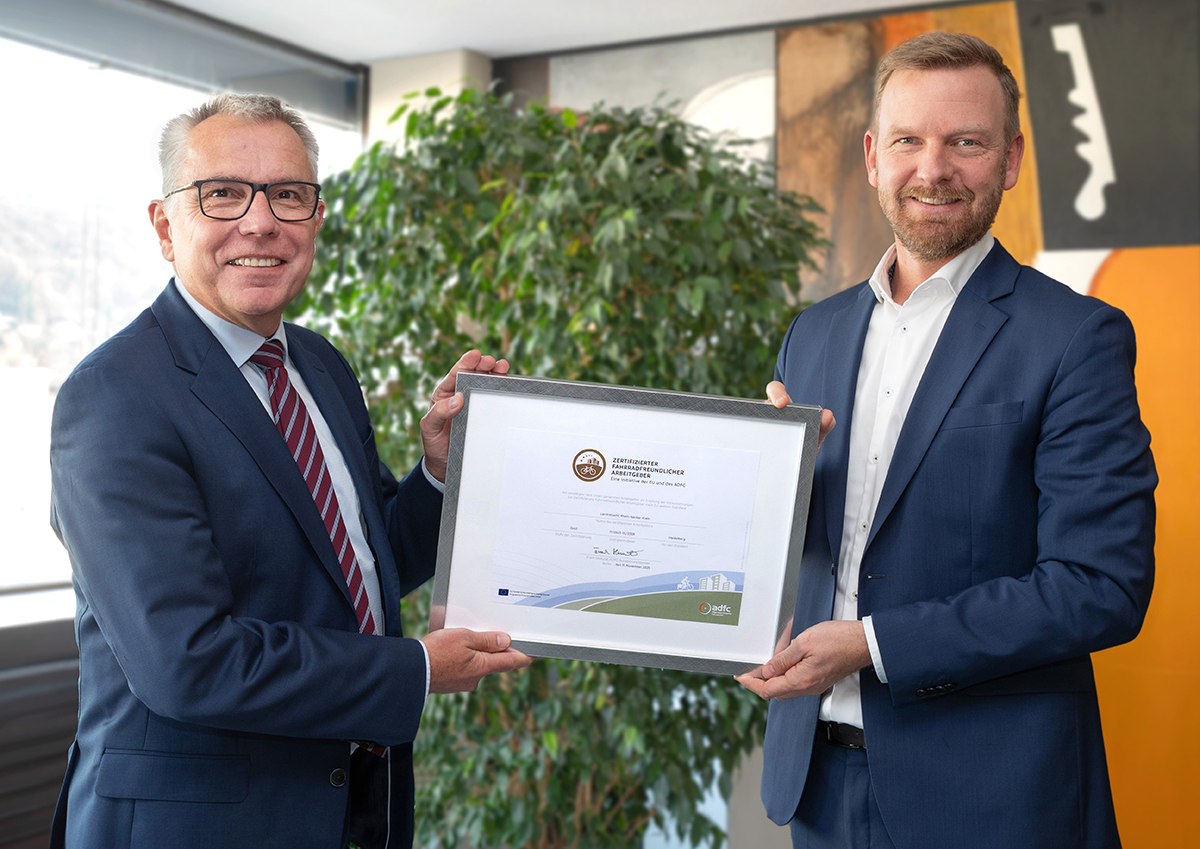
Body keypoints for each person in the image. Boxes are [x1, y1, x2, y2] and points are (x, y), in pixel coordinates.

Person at [47, 94, 531, 849]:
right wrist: (412, 669)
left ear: (316, 218)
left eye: (288, 193)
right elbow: (188, 661)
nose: (261, 220)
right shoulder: (114, 396)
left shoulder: (320, 365)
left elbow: (366, 569)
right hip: (198, 822)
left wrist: (439, 470)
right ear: (166, 225)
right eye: (224, 193)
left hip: (354, 799)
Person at [736, 32, 1155, 849]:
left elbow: (1100, 584)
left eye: (966, 142)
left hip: (993, 797)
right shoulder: (812, 336)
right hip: (817, 786)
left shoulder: (1077, 337)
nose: (933, 169)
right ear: (871, 155)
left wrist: (871, 645)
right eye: (908, 141)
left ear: (1011, 159)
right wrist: (758, 489)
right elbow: (811, 548)